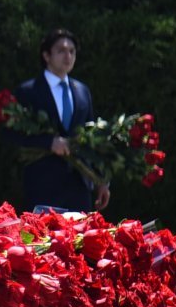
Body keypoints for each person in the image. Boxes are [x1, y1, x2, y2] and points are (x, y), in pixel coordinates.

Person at [9, 29, 108, 213]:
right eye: (61, 51)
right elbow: (13, 135)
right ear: (46, 55)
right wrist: (49, 142)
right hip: (43, 185)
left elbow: (92, 138)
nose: (68, 56)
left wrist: (101, 180)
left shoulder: (82, 91)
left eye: (72, 51)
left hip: (78, 187)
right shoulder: (28, 91)